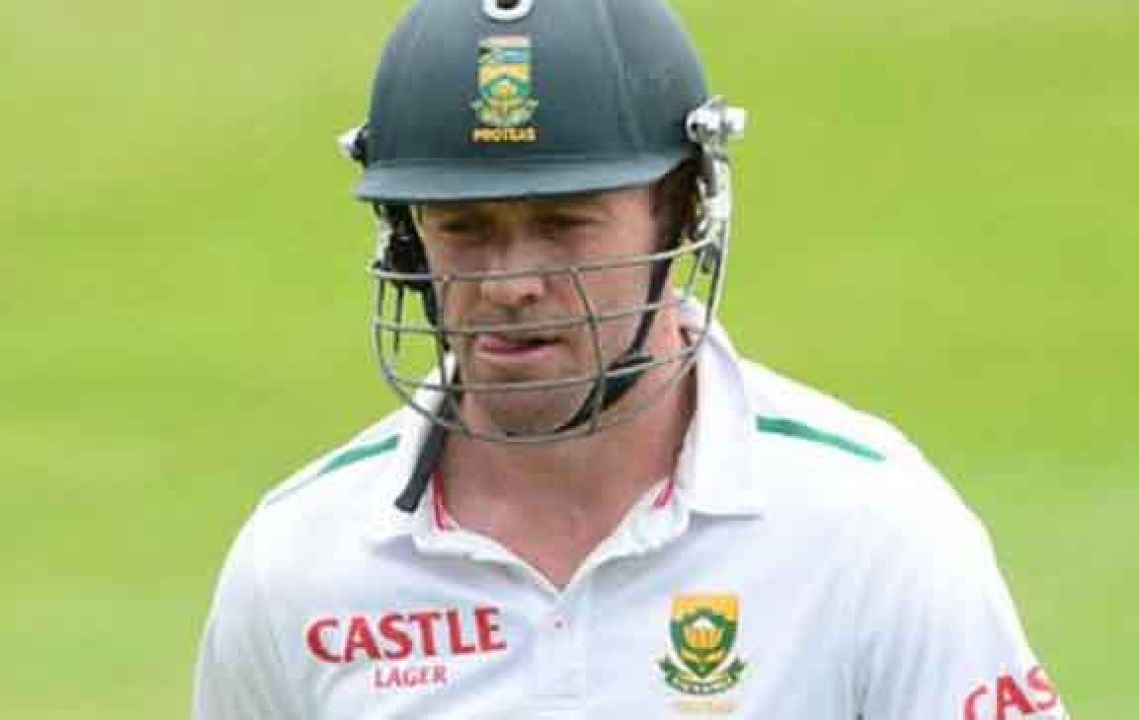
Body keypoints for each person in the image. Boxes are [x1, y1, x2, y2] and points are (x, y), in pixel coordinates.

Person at [194, 0, 1069, 717]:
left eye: (564, 223)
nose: (511, 282)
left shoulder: (869, 530)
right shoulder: (300, 564)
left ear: (681, 210)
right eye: (464, 228)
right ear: (408, 238)